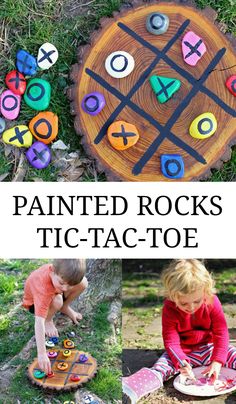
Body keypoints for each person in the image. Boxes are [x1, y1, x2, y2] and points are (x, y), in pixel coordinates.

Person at [123, 259, 236, 403]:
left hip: (210, 348)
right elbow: (171, 340)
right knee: (161, 367)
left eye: (197, 301)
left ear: (205, 291)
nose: (191, 307)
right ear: (172, 296)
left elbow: (221, 333)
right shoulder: (170, 308)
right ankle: (130, 388)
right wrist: (181, 362)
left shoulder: (212, 301)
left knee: (232, 354)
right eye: (184, 303)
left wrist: (218, 361)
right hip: (183, 352)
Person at [22, 259, 88, 375]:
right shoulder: (43, 288)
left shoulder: (60, 276)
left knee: (83, 283)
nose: (65, 289)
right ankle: (49, 319)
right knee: (58, 301)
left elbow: (66, 285)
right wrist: (42, 353)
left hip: (52, 292)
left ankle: (65, 307)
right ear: (52, 271)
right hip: (34, 304)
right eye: (62, 283)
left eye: (69, 285)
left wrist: (62, 285)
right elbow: (38, 322)